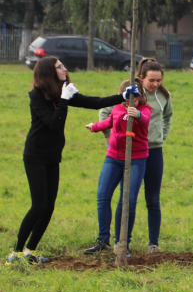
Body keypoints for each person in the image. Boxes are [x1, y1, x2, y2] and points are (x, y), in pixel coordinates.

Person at [8, 57, 132, 265]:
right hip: (35, 155)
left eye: (63, 65)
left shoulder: (61, 92)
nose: (64, 68)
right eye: (59, 67)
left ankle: (29, 252)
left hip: (52, 155)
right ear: (48, 72)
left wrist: (122, 96)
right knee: (38, 205)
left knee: (49, 207)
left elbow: (94, 103)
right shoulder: (37, 96)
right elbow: (53, 122)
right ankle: (15, 254)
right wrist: (64, 99)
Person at [99, 58, 173, 254]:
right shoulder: (130, 93)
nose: (156, 84)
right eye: (151, 80)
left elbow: (167, 116)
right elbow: (106, 111)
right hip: (132, 152)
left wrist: (161, 136)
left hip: (154, 150)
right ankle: (122, 242)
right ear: (141, 78)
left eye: (159, 80)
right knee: (127, 199)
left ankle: (153, 243)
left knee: (153, 199)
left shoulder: (164, 95)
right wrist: (110, 137)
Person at [84, 81, 152, 254]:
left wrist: (136, 115)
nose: (129, 102)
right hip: (113, 157)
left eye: (134, 98)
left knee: (128, 201)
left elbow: (145, 121)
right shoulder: (117, 108)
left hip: (136, 159)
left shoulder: (145, 110)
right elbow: (108, 122)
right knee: (103, 195)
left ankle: (122, 243)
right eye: (126, 99)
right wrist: (94, 127)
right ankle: (103, 240)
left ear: (141, 96)